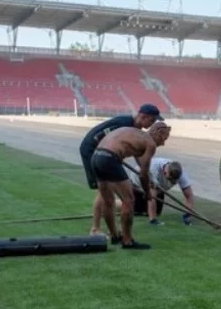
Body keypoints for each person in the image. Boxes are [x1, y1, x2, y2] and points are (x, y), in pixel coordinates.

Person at [79, 104, 163, 231]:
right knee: (104, 191)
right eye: (151, 120)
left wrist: (149, 176)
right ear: (143, 116)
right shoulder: (124, 123)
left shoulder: (135, 128)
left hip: (104, 155)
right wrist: (107, 155)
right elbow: (98, 137)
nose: (151, 124)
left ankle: (111, 228)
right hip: (91, 150)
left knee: (107, 192)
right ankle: (96, 228)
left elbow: (137, 153)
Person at [90, 121, 172, 249]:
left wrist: (152, 179)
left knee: (108, 201)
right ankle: (127, 241)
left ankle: (114, 236)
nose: (163, 143)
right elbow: (142, 174)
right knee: (129, 200)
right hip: (110, 159)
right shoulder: (150, 143)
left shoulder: (135, 134)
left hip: (96, 156)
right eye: (164, 138)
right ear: (158, 133)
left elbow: (142, 166)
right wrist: (148, 193)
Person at [127, 158, 196, 225]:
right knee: (132, 207)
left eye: (174, 181)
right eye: (170, 179)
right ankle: (123, 202)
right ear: (165, 173)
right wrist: (153, 220)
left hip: (158, 190)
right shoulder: (153, 169)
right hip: (138, 186)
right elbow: (152, 195)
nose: (172, 182)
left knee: (156, 212)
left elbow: (189, 196)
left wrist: (187, 215)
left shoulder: (181, 175)